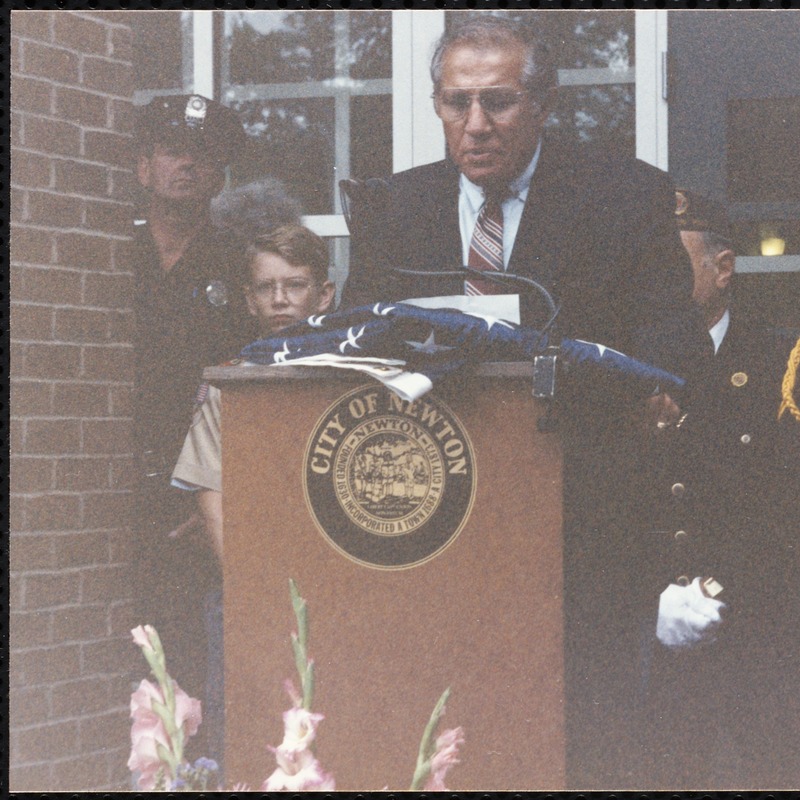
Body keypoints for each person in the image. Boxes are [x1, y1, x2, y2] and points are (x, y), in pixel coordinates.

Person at [338, 15, 709, 788]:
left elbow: (672, 347)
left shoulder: (624, 194)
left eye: (499, 103)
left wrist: (650, 391)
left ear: (544, 105)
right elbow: (353, 346)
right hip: (431, 526)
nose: (474, 125)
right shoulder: (395, 208)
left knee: (581, 746)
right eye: (455, 103)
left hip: (579, 530)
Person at [638, 190, 800, 790]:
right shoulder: (628, 363)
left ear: (723, 268)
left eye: (671, 263)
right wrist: (651, 598)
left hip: (769, 638)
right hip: (663, 639)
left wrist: (714, 588)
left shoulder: (789, 360)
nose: (657, 282)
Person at [130, 94, 251, 761]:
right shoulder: (105, 253)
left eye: (203, 154)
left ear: (221, 172)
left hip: (195, 506)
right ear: (144, 166)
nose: (187, 165)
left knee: (196, 676)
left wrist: (207, 502)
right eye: (173, 150)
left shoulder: (240, 266)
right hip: (116, 493)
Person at [172, 223, 337, 559]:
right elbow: (211, 500)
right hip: (253, 561)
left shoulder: (351, 375)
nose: (279, 300)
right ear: (249, 300)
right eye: (265, 288)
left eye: (295, 286)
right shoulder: (229, 385)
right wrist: (247, 589)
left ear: (324, 295)